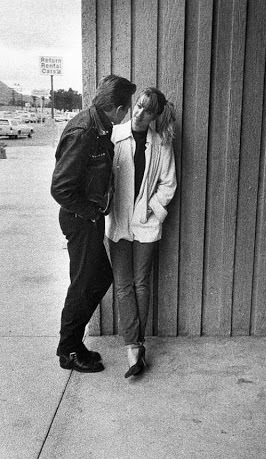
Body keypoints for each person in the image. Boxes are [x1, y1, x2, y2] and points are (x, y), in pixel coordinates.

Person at [51, 74, 137, 373]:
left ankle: (72, 343)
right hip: (80, 218)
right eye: (126, 108)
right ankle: (69, 350)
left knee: (96, 278)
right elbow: (60, 188)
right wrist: (90, 212)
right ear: (117, 108)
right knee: (86, 282)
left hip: (88, 217)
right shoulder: (85, 130)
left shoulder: (99, 126)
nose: (126, 114)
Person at [106, 87, 177, 378]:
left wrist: (151, 209)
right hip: (120, 223)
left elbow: (168, 184)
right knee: (123, 286)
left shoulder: (161, 144)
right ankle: (133, 348)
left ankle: (137, 344)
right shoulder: (114, 137)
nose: (139, 113)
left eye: (147, 110)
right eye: (138, 106)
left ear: (154, 116)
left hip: (146, 224)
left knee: (140, 284)